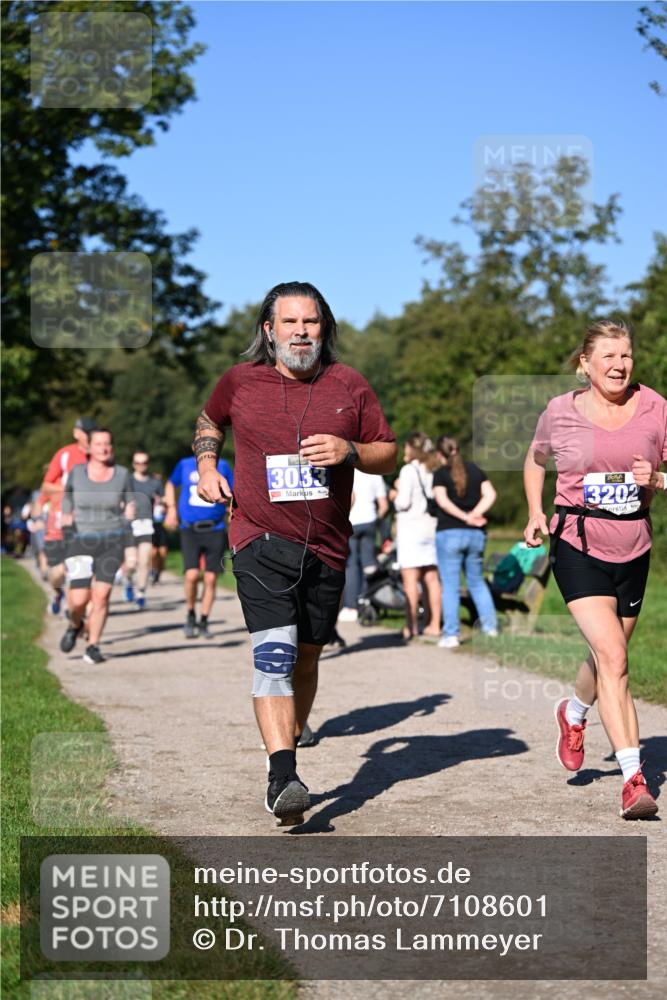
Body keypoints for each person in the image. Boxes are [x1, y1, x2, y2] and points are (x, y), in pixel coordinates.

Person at [192, 280, 396, 824]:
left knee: (307, 654)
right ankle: (282, 775)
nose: (300, 332)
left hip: (327, 548)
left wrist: (350, 450)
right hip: (258, 538)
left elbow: (388, 451)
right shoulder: (240, 381)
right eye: (290, 322)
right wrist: (208, 466)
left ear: (323, 328)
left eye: (310, 322)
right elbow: (210, 421)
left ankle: (294, 734)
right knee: (275, 656)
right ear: (269, 330)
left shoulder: (348, 385)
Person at [523, 319, 666, 820]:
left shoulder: (655, 408)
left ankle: (574, 712)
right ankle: (634, 780)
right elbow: (535, 460)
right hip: (577, 542)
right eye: (607, 355)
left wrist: (659, 478)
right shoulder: (560, 412)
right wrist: (536, 512)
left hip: (634, 545)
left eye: (625, 354)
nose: (618, 364)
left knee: (611, 657)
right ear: (585, 364)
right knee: (614, 657)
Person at [59, 429, 135, 664]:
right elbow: (67, 497)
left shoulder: (122, 474)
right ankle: (76, 624)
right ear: (89, 448)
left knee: (101, 596)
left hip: (112, 540)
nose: (104, 448)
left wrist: (129, 513)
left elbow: (131, 501)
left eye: (108, 444)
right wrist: (65, 516)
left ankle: (93, 645)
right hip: (81, 540)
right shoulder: (77, 473)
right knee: (79, 600)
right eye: (99, 444)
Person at [433, 436, 498, 648]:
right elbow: (490, 494)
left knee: (450, 585)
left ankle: (451, 635)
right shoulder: (475, 470)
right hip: (475, 534)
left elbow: (442, 502)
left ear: (439, 454)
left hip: (449, 533)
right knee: (477, 582)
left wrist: (463, 516)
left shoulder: (440, 474)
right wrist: (474, 514)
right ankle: (490, 628)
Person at [164, 452, 233, 639]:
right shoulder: (184, 464)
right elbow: (171, 483)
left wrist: (231, 509)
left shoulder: (224, 465)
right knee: (192, 575)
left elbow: (232, 492)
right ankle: (190, 613)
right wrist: (171, 509)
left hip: (215, 528)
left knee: (211, 578)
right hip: (190, 529)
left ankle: (204, 620)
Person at [389, 433, 442, 642]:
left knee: (410, 579)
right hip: (431, 527)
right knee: (432, 578)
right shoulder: (433, 469)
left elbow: (402, 503)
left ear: (413, 449)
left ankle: (411, 626)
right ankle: (434, 624)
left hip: (411, 529)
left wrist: (395, 492)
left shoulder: (408, 470)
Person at [40, 416, 96, 615]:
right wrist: (67, 489)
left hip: (86, 522)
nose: (88, 436)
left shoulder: (100, 456)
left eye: (91, 432)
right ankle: (58, 594)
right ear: (77, 434)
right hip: (59, 519)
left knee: (81, 569)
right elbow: (46, 485)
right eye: (85, 432)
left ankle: (77, 610)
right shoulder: (64, 454)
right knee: (56, 573)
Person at [339, 470, 389, 621]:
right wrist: (376, 521)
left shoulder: (348, 472)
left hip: (352, 522)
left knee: (352, 565)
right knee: (369, 565)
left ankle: (351, 606)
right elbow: (384, 506)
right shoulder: (376, 474)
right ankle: (368, 601)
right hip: (369, 520)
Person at [121, 451, 164, 610]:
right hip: (129, 525)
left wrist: (162, 503)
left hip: (146, 524)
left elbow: (163, 500)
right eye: (138, 463)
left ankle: (140, 594)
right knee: (131, 562)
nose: (141, 466)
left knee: (145, 561)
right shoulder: (127, 480)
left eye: (144, 462)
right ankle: (127, 580)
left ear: (148, 463)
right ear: (133, 464)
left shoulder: (155, 482)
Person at [150, 474, 168, 584]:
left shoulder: (166, 497)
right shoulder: (149, 496)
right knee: (153, 552)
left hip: (162, 526)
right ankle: (152, 569)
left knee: (163, 553)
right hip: (151, 526)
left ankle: (158, 572)